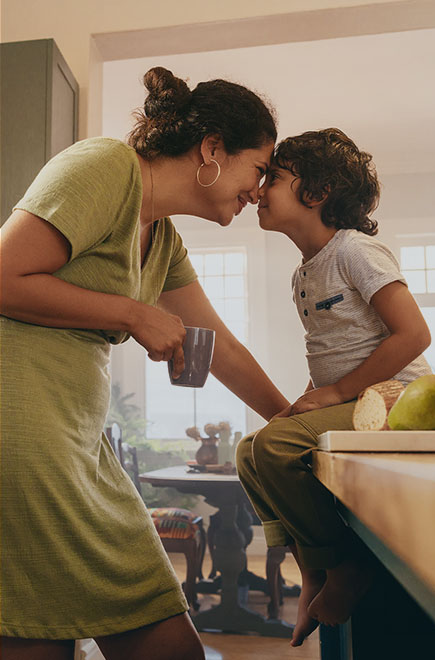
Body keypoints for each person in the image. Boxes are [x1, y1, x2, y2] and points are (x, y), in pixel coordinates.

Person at [0, 67, 290, 660]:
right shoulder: (105, 167)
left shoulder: (163, 239)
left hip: (79, 439)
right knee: (40, 633)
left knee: (151, 620)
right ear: (212, 148)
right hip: (21, 425)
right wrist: (133, 314)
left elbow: (220, 345)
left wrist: (289, 419)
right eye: (258, 169)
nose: (259, 190)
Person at [236, 128, 432, 647]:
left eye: (273, 178)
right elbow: (332, 350)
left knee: (277, 445)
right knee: (249, 450)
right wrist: (313, 396)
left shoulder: (356, 251)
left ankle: (345, 566)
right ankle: (313, 568)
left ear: (317, 193)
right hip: (352, 396)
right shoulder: (304, 273)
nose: (258, 190)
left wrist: (337, 392)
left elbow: (413, 334)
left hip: (395, 400)